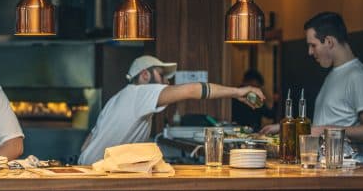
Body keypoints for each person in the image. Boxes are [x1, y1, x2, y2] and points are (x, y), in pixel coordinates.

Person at [77, 55, 265, 165]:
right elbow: (192, 90)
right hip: (96, 175)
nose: (167, 82)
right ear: (144, 75)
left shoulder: (118, 99)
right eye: (161, 75)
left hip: (88, 169)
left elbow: (90, 140)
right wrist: (237, 92)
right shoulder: (140, 93)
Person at [261, 12, 363, 162]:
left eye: (313, 45)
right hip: (329, 170)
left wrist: (325, 131)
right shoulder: (334, 74)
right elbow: (325, 125)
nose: (310, 52)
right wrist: (290, 128)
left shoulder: (358, 76)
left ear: (329, 42)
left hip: (350, 173)